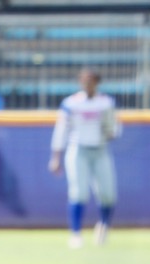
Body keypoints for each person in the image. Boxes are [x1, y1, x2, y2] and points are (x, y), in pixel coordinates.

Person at [49, 67, 120, 248]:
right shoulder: (71, 103)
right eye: (84, 79)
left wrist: (111, 131)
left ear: (97, 82)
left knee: (108, 194)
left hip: (100, 150)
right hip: (78, 150)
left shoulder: (106, 102)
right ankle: (76, 233)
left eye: (91, 79)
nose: (88, 83)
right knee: (78, 192)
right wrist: (56, 157)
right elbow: (61, 130)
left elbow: (115, 127)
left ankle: (103, 226)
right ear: (80, 81)